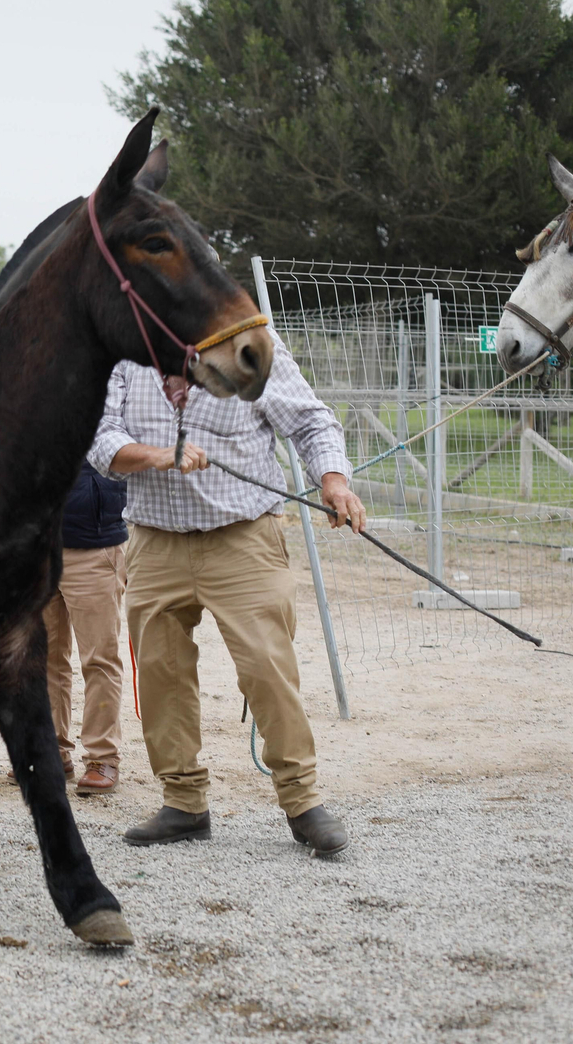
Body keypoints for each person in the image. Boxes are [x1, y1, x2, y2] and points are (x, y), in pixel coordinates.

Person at [88, 345, 365, 855]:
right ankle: (184, 802)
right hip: (155, 538)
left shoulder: (249, 348)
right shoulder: (123, 354)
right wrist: (158, 455)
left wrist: (333, 480)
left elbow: (309, 421)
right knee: (160, 672)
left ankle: (303, 801)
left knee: (267, 667)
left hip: (244, 537)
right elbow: (99, 436)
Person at [40, 461, 130, 795]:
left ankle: (103, 756)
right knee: (43, 657)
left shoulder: (110, 405)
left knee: (99, 659)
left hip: (95, 545)